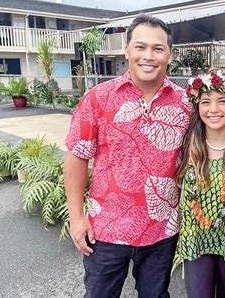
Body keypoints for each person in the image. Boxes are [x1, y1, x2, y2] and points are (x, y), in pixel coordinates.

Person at [64, 15, 191, 298]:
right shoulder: (99, 97)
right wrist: (76, 217)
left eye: (158, 49)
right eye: (140, 47)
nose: (148, 56)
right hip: (106, 230)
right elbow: (77, 157)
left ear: (169, 55)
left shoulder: (186, 103)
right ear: (127, 50)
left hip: (162, 228)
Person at [173, 70, 225, 298]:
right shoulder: (186, 143)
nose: (213, 109)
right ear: (198, 107)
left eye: (222, 101)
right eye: (206, 102)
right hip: (195, 242)